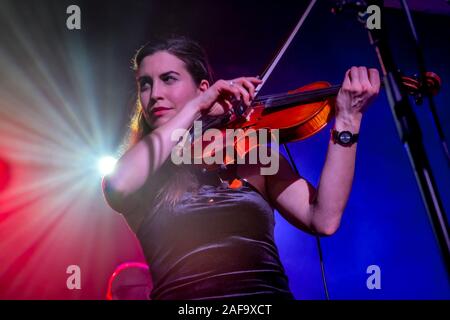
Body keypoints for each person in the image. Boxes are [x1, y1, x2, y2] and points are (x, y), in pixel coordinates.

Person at [102, 35, 380, 300]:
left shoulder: (250, 154)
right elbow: (118, 184)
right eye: (145, 84)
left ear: (203, 87)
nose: (154, 94)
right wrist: (195, 108)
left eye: (168, 79)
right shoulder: (142, 172)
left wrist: (347, 122)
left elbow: (323, 219)